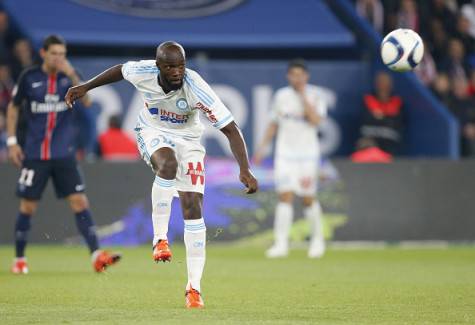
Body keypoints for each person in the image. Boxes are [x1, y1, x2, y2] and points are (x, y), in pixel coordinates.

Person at [65, 41, 258, 309]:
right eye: (170, 67)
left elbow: (231, 129)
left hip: (189, 141)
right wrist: (86, 86)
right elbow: (121, 70)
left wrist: (244, 168)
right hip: (152, 131)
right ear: (158, 66)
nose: (177, 71)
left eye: (181, 65)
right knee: (167, 164)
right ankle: (160, 239)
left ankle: (194, 288)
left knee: (193, 208)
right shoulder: (142, 71)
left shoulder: (196, 87)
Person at [6, 35, 121, 275]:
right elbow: (13, 107)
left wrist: (72, 75)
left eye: (62, 54)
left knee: (80, 202)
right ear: (43, 54)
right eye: (54, 53)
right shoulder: (29, 77)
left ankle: (97, 256)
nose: (59, 58)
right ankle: (19, 259)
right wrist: (12, 141)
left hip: (64, 154)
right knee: (28, 207)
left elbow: (88, 102)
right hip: (35, 154)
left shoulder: (70, 76)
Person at [253, 59, 326, 259]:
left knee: (308, 198)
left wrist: (303, 96)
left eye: (300, 74)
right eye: (293, 74)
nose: (297, 78)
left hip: (307, 156)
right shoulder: (281, 96)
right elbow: (273, 123)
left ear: (306, 76)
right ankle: (281, 244)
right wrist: (262, 148)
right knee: (284, 196)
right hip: (285, 155)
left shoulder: (315, 95)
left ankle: (317, 241)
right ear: (288, 76)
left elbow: (316, 120)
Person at [359, 71, 404, 155]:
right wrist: (386, 118)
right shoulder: (368, 100)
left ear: (390, 85)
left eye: (385, 84)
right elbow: (364, 120)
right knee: (364, 146)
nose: (383, 86)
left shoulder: (397, 102)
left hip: (390, 144)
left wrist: (379, 117)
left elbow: (398, 122)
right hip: (369, 142)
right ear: (376, 85)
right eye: (380, 83)